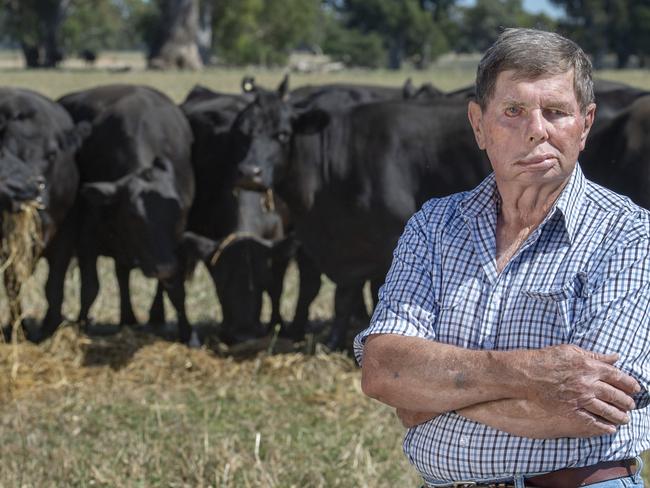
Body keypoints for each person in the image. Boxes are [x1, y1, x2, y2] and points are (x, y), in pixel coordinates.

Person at [354, 28, 650, 488]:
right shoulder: (434, 225)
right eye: (513, 111)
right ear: (478, 125)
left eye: (556, 111)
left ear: (586, 124)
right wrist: (533, 374)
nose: (536, 129)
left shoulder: (629, 233)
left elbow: (589, 408)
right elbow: (383, 370)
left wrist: (429, 399)